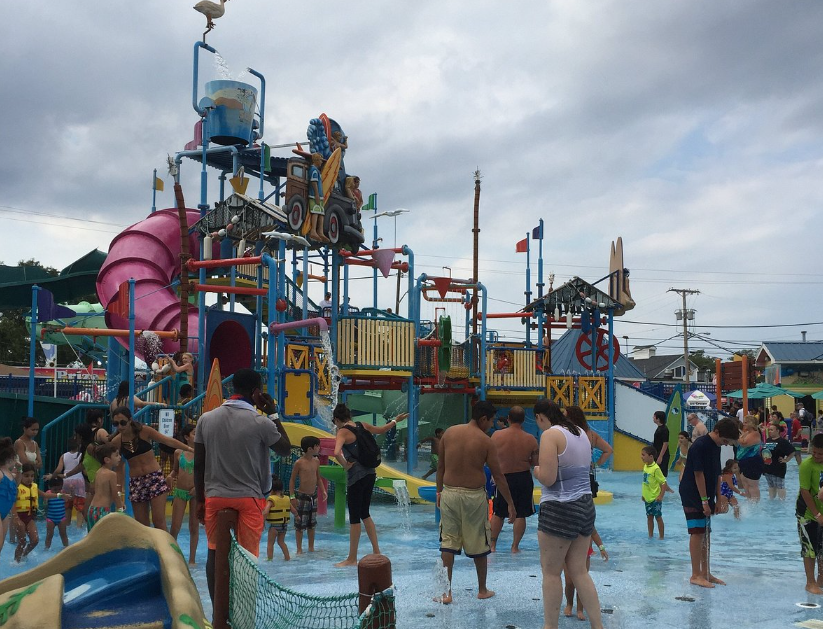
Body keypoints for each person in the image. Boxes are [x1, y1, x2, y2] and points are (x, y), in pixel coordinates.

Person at [194, 368, 292, 604]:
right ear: (256, 392)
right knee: (247, 556)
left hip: (215, 497)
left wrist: (200, 500)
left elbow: (199, 464)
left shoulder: (206, 419)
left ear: (232, 388)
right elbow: (285, 449)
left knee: (214, 551)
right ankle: (243, 609)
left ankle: (218, 611)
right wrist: (273, 413)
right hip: (249, 498)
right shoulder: (260, 422)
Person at [435, 400, 515, 604]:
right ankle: (482, 589)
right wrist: (510, 503)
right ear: (483, 419)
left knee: (448, 542)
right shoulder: (485, 441)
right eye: (491, 421)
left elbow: (441, 467)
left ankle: (446, 593)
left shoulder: (449, 433)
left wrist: (439, 491)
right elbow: (498, 476)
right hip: (473, 496)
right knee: (480, 541)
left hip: (449, 493)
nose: (492, 424)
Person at [533, 399, 602, 628]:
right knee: (580, 572)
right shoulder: (581, 432)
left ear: (540, 417)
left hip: (559, 508)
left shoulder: (550, 435)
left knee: (552, 573)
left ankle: (550, 626)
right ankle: (598, 625)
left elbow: (548, 478)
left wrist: (536, 471)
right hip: (585, 507)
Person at [332, 404, 406, 567]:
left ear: (337, 419)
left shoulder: (342, 431)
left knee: (354, 517)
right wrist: (395, 420)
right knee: (365, 513)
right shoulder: (362, 425)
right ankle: (377, 551)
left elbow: (336, 452)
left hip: (356, 476)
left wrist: (345, 465)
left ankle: (352, 558)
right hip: (371, 473)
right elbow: (382, 430)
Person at [678, 417, 740, 588]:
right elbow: (698, 474)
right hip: (692, 493)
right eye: (725, 440)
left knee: (706, 532)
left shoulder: (716, 446)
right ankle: (695, 574)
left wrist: (719, 497)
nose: (726, 444)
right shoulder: (700, 445)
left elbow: (717, 474)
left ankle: (705, 572)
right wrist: (705, 501)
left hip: (706, 493)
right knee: (697, 532)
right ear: (717, 432)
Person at [110, 406, 192, 530]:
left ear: (130, 420)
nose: (120, 426)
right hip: (136, 482)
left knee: (158, 521)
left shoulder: (144, 431)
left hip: (154, 478)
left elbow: (167, 441)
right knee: (142, 525)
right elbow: (119, 468)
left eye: (123, 422)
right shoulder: (117, 442)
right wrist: (118, 492)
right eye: (116, 424)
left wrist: (189, 449)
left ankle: (165, 543)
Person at [489, 406, 539, 553]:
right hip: (523, 477)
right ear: (523, 420)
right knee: (521, 513)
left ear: (508, 419)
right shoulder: (531, 439)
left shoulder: (496, 436)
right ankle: (515, 547)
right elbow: (536, 463)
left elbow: (489, 457)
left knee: (498, 513)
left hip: (503, 477)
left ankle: (492, 545)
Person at [564, 405, 613, 497]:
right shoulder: (591, 435)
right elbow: (608, 450)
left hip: (570, 474)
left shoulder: (565, 434)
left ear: (570, 419)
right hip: (586, 475)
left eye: (565, 416)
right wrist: (595, 465)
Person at [167, 424, 199, 564]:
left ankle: (192, 560)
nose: (197, 435)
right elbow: (175, 470)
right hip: (180, 492)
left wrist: (198, 487)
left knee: (194, 526)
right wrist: (170, 476)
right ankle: (172, 557)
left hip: (195, 493)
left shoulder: (202, 453)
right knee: (175, 526)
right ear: (186, 437)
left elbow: (207, 474)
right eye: (194, 433)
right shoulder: (178, 452)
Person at [289, 436, 326, 554]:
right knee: (300, 524)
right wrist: (292, 496)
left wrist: (323, 491)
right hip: (302, 496)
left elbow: (318, 478)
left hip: (313, 496)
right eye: (317, 446)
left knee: (312, 524)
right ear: (310, 448)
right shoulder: (299, 463)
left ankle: (311, 547)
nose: (319, 448)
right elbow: (292, 480)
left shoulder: (316, 461)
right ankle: (299, 549)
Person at [797, 433, 823, 594]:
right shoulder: (807, 465)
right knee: (809, 547)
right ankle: (810, 582)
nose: (816, 456)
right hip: (807, 513)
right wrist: (817, 515)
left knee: (822, 547)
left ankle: (821, 578)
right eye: (814, 452)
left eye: (820, 454)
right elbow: (805, 491)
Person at [563, 526, 608, 621]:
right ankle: (569, 604)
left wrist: (602, 548)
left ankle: (580, 609)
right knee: (569, 582)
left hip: (584, 554)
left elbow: (594, 533)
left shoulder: (587, 520)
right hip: (568, 552)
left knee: (581, 582)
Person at [47, 435, 86, 528]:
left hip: (66, 481)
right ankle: (79, 527)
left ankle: (67, 524)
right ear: (79, 445)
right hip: (79, 480)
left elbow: (58, 469)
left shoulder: (63, 456)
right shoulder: (81, 455)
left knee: (67, 505)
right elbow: (84, 470)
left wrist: (52, 476)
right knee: (80, 505)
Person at [87, 444, 124, 531]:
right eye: (116, 455)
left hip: (92, 510)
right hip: (102, 511)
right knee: (106, 538)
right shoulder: (111, 474)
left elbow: (96, 490)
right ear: (107, 460)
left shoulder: (98, 472)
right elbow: (115, 494)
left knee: (93, 537)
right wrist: (120, 509)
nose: (119, 457)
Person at [762, 421, 801, 500]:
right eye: (769, 430)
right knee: (771, 485)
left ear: (777, 431)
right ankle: (771, 500)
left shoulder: (782, 441)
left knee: (780, 486)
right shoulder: (768, 440)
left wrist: (786, 460)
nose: (770, 431)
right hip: (768, 467)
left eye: (771, 430)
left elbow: (793, 451)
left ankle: (782, 501)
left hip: (778, 467)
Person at [641, 445, 671, 539]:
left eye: (643, 455)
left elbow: (663, 483)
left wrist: (661, 496)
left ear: (651, 456)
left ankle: (661, 537)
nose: (641, 457)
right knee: (649, 517)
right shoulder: (645, 466)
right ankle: (650, 536)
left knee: (658, 517)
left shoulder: (655, 468)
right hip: (648, 498)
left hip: (655, 498)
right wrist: (643, 494)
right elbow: (645, 483)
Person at [264, 477, 293, 561]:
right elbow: (293, 510)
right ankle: (287, 558)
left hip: (274, 527)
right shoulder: (286, 499)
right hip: (284, 526)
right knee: (281, 542)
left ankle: (270, 559)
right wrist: (297, 516)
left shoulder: (271, 500)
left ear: (271, 490)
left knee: (270, 544)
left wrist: (262, 522)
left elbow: (266, 512)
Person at [736, 415, 764, 501]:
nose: (743, 424)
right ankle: (749, 502)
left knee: (752, 484)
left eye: (746, 422)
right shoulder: (747, 433)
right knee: (745, 483)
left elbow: (744, 443)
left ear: (751, 424)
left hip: (753, 461)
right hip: (744, 461)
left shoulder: (755, 433)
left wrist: (737, 436)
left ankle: (755, 504)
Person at [14, 463, 39, 562]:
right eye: (26, 476)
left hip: (29, 517)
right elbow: (12, 503)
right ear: (21, 475)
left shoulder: (33, 487)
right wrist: (16, 518)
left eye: (32, 476)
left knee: (35, 540)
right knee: (22, 542)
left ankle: (24, 555)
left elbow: (45, 495)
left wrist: (59, 495)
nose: (30, 478)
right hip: (19, 517)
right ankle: (16, 562)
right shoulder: (17, 488)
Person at [0, 439, 17, 559]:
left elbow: (17, 486)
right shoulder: (0, 473)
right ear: (10, 458)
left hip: (5, 514)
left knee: (0, 546)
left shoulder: (10, 474)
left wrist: (19, 469)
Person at [306, 152, 329, 242]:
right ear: (316, 160)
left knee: (321, 213)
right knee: (315, 212)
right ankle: (313, 231)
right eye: (320, 160)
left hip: (320, 195)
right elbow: (314, 182)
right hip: (314, 195)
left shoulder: (317, 170)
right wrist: (316, 194)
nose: (321, 162)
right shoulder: (313, 170)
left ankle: (320, 231)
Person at [43, 477, 69, 550]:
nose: (57, 491)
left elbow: (68, 499)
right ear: (49, 487)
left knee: (63, 534)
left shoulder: (63, 493)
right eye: (55, 489)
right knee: (49, 535)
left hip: (61, 518)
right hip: (51, 518)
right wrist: (45, 501)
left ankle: (67, 548)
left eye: (59, 489)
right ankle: (46, 549)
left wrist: (72, 491)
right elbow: (45, 506)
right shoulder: (48, 494)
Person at [651, 411, 670, 477]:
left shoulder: (664, 429)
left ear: (658, 419)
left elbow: (665, 443)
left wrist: (660, 456)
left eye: (654, 416)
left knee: (661, 475)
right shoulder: (659, 428)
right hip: (657, 453)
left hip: (662, 454)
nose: (653, 418)